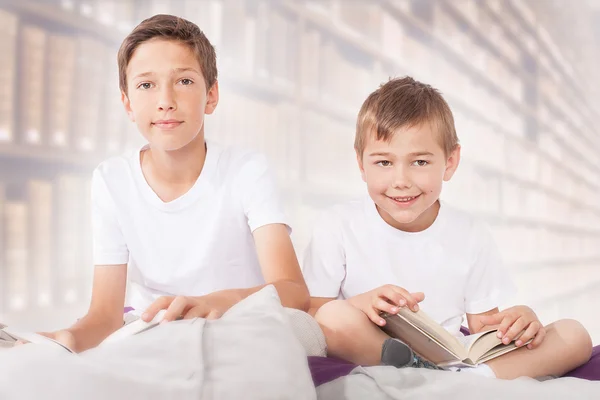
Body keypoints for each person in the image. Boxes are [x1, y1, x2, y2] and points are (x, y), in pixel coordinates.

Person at [39, 14, 309, 353]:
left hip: (240, 332)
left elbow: (293, 290)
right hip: (154, 337)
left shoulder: (246, 170)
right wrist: (66, 341)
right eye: (146, 85)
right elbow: (104, 316)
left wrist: (220, 301)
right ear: (127, 104)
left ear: (211, 96)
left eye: (183, 81)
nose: (165, 100)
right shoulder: (111, 180)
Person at [302, 76, 592, 379]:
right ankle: (432, 378)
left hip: (451, 358)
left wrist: (519, 321)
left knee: (574, 335)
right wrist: (362, 304)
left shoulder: (470, 233)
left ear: (450, 162)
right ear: (361, 164)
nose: (401, 180)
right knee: (334, 317)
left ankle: (456, 382)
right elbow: (313, 317)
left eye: (420, 162)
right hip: (376, 349)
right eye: (384, 163)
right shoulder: (337, 225)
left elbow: (483, 328)